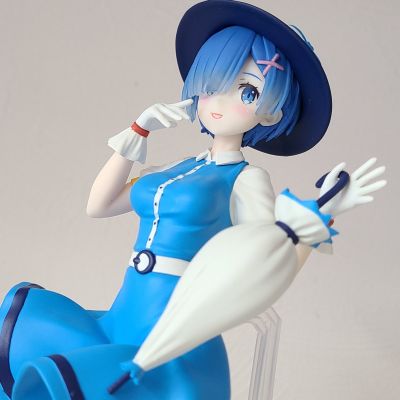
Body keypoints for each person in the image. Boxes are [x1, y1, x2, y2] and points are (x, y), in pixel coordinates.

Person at [0, 1, 386, 399]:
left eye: (247, 91)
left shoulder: (246, 179)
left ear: (271, 113)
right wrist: (139, 129)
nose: (220, 102)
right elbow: (99, 205)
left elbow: (267, 259)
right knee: (34, 338)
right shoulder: (176, 168)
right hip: (127, 308)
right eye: (213, 84)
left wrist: (317, 219)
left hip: (171, 318)